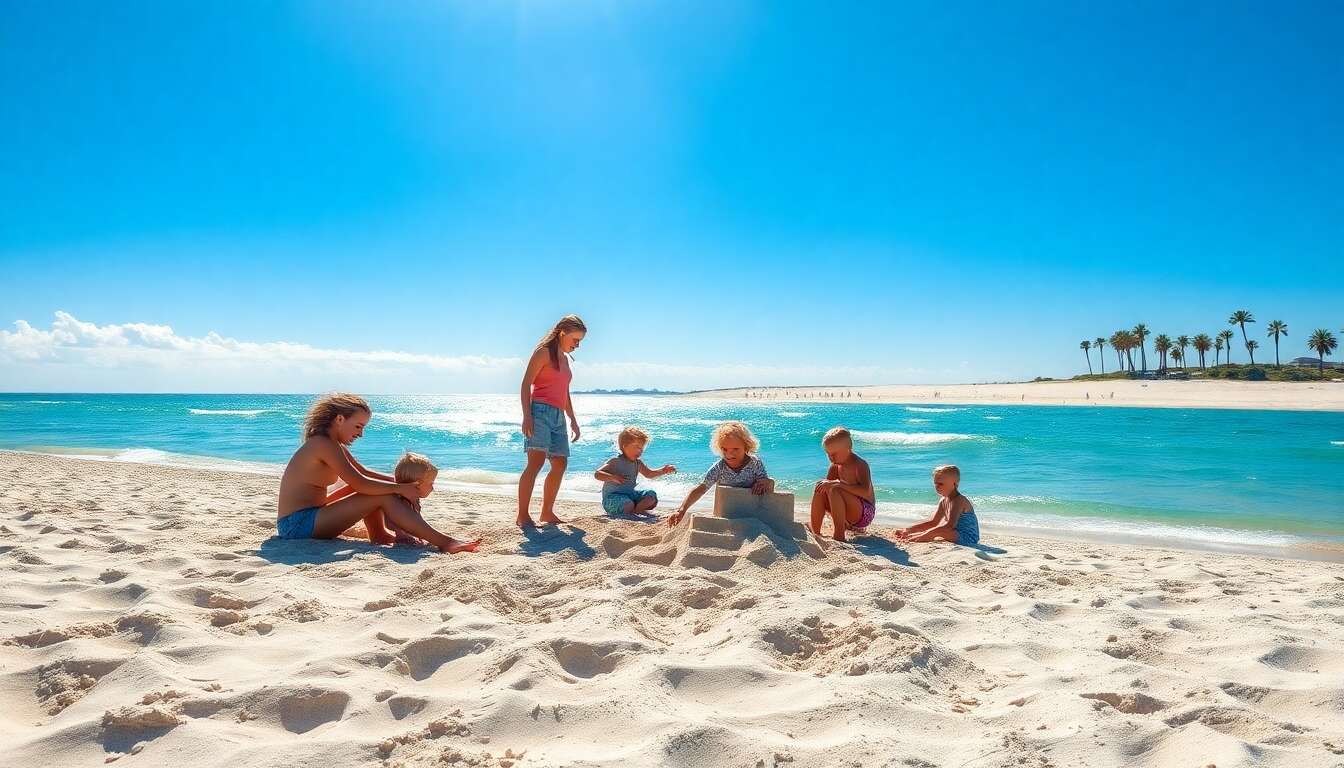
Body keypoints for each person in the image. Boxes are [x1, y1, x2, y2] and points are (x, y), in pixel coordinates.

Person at [275, 393, 480, 553]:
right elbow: (360, 483)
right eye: (358, 426)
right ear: (339, 419)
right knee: (381, 495)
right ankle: (446, 543)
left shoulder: (332, 445)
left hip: (307, 519)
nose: (361, 433)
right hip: (297, 526)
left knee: (381, 490)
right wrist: (399, 489)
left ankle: (380, 534)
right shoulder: (323, 444)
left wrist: (403, 486)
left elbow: (363, 472)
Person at [517, 315, 586, 528]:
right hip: (539, 412)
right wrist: (527, 415)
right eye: (575, 339)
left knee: (560, 463)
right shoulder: (543, 353)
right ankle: (522, 515)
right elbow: (525, 384)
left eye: (580, 341)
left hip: (558, 416)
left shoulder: (564, 360)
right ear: (562, 332)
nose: (577, 345)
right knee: (535, 463)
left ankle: (547, 512)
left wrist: (572, 418)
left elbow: (564, 392)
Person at [668, 421, 774, 526]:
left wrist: (768, 483)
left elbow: (767, 486)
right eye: (724, 449)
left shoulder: (755, 463)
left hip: (752, 515)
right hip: (728, 515)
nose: (729, 454)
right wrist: (681, 510)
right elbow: (700, 489)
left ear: (746, 447)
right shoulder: (719, 468)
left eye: (735, 449)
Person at [809, 427, 876, 542]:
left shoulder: (859, 465)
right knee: (821, 486)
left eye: (834, 454)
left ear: (848, 448)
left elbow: (865, 492)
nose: (831, 458)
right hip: (845, 513)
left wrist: (840, 484)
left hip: (864, 514)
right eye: (828, 454)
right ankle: (816, 531)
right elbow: (827, 492)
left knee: (835, 489)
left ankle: (839, 535)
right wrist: (831, 485)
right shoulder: (835, 466)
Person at [594, 427, 676, 517]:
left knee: (651, 496)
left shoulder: (637, 463)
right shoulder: (615, 461)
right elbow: (597, 474)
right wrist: (612, 477)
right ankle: (634, 510)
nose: (640, 451)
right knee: (628, 504)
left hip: (630, 495)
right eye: (637, 447)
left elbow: (649, 474)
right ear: (625, 446)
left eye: (641, 448)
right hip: (612, 498)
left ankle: (635, 511)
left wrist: (663, 470)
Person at [890, 465, 978, 546]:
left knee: (939, 531)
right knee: (936, 530)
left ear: (954, 484)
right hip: (954, 533)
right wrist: (909, 530)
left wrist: (927, 534)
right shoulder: (943, 500)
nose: (937, 487)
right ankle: (911, 534)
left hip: (968, 537)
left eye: (941, 484)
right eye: (935, 484)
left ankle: (917, 537)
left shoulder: (958, 500)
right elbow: (934, 522)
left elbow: (949, 526)